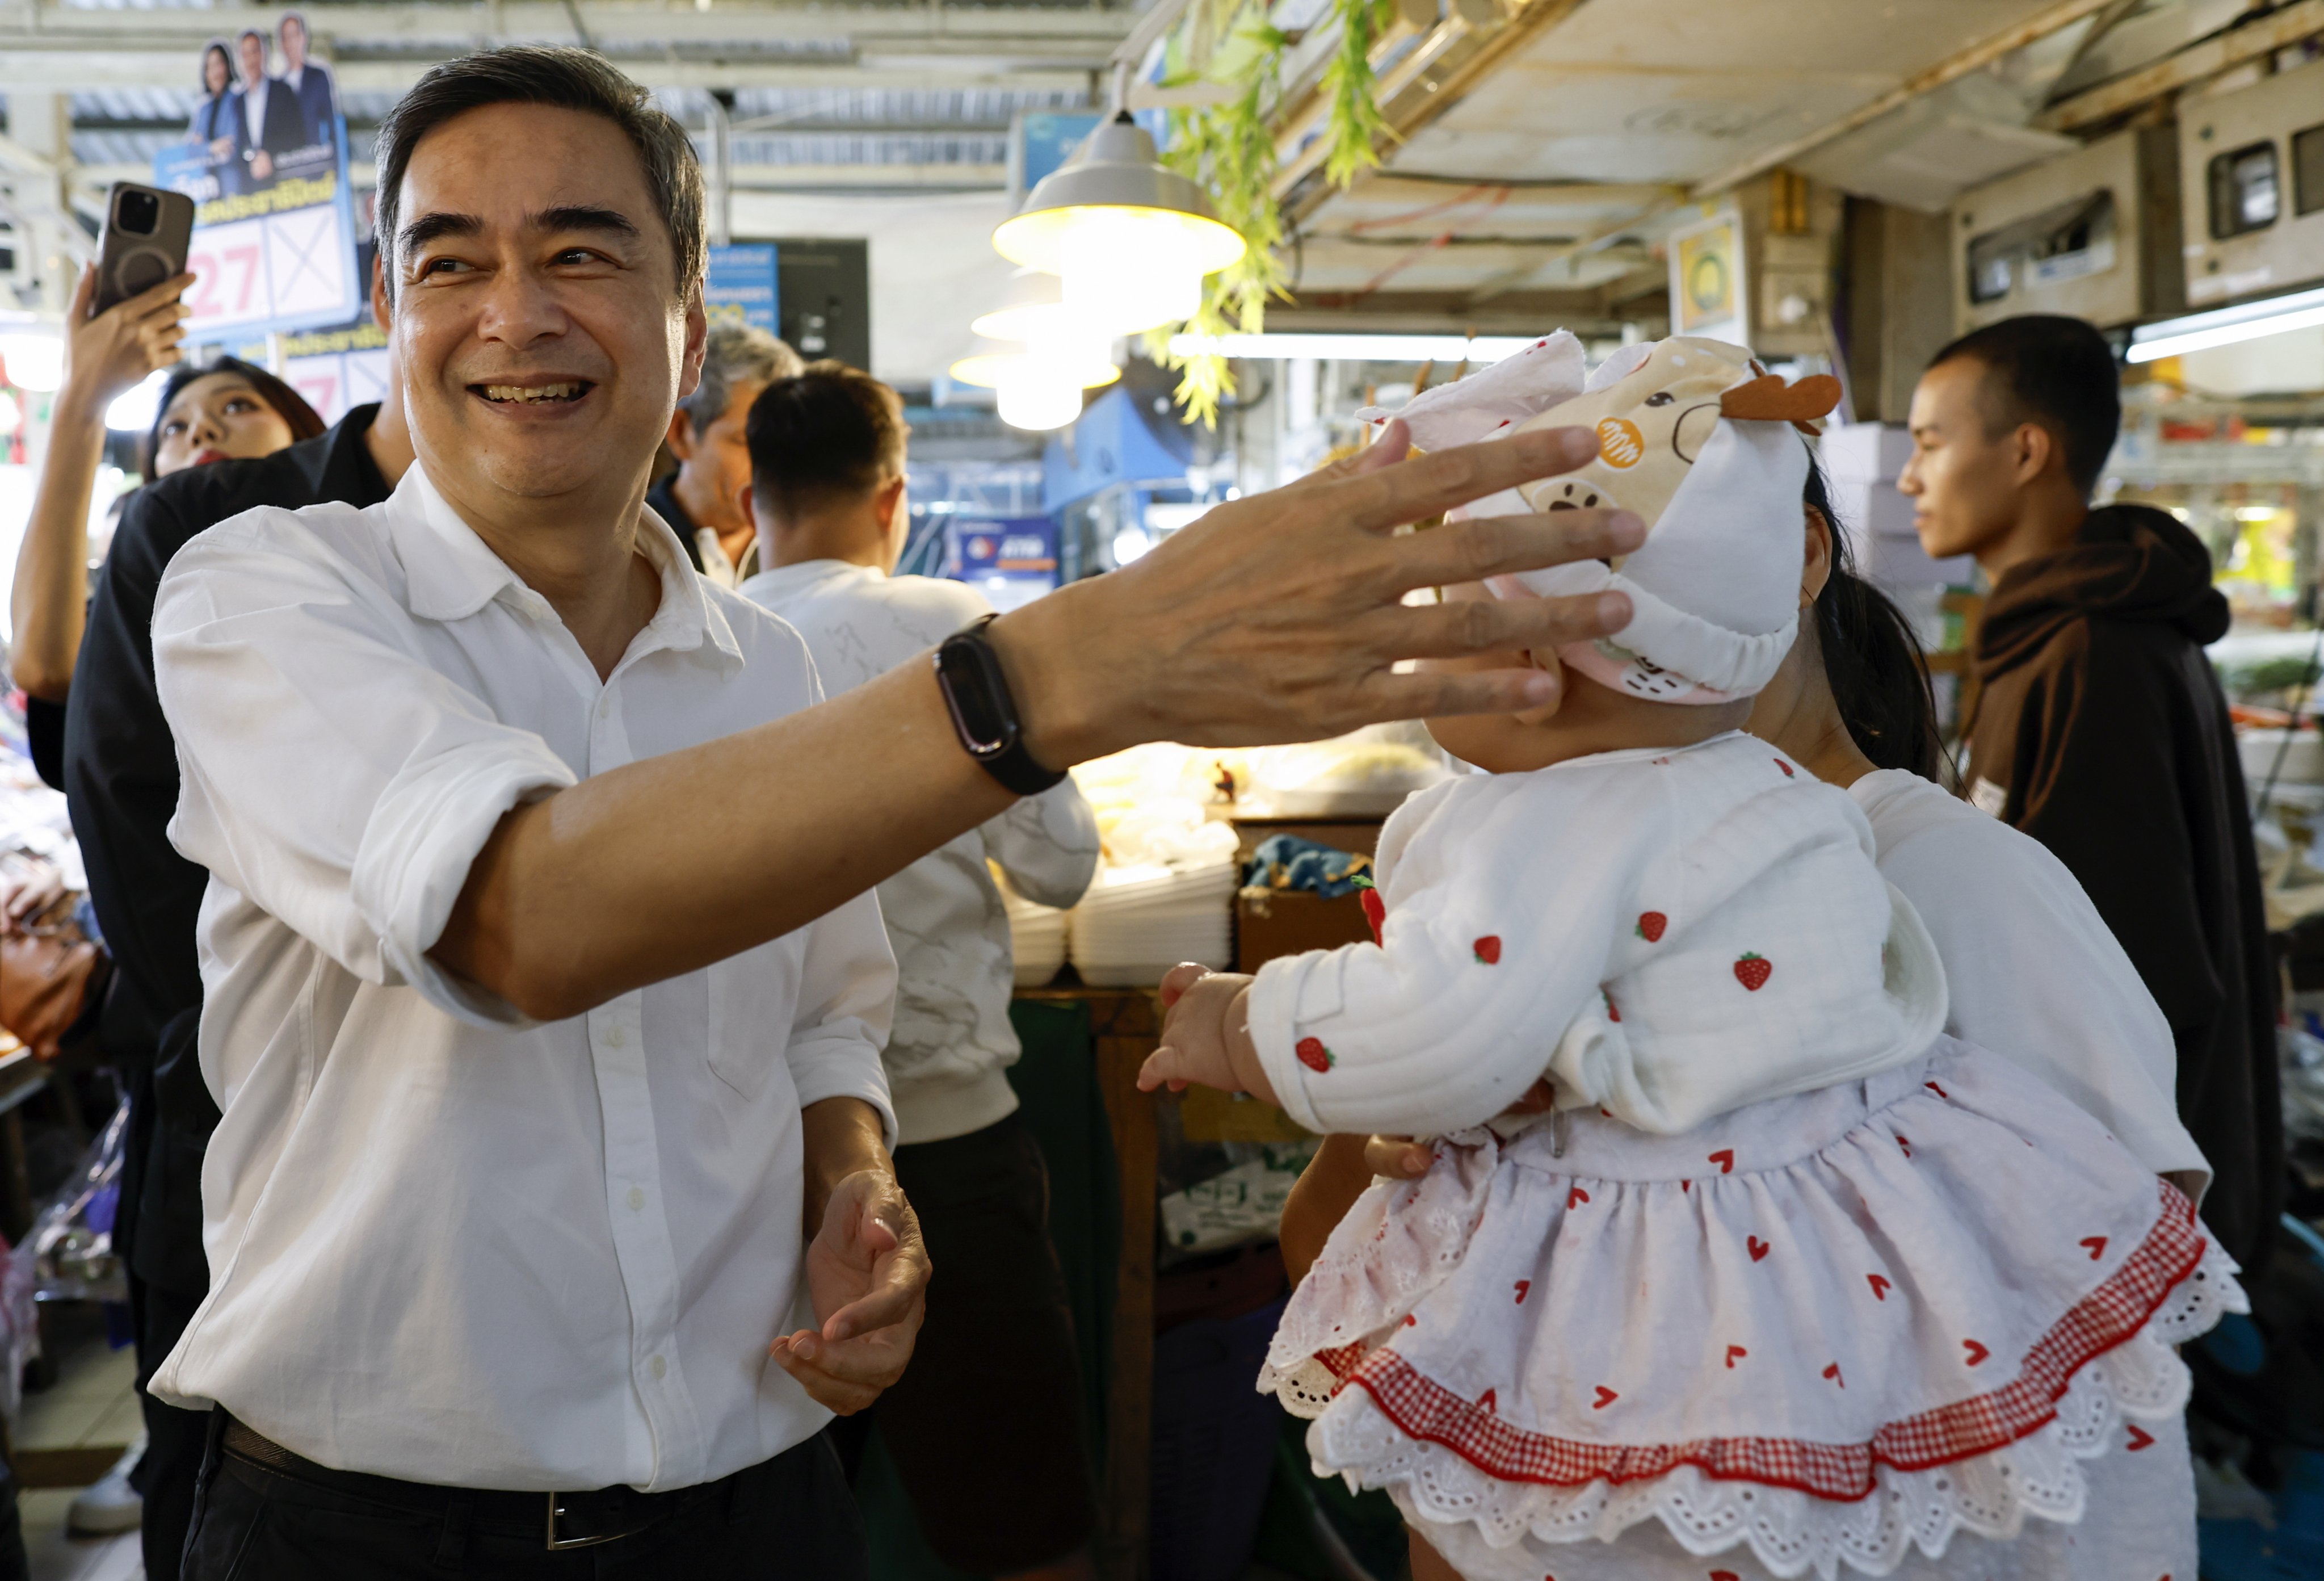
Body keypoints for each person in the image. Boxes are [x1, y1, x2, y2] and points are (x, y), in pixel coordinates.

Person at [141, 45, 1642, 1576]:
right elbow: (523, 915)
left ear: (683, 307)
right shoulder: (266, 594)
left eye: (579, 252)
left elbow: (824, 1019)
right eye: (450, 262)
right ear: (395, 316)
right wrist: (1073, 666)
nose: (514, 312)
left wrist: (852, 1176)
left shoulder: (769, 665)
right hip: (361, 1526)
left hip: (747, 1506)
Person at [1148, 334, 2234, 1581]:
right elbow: (1321, 1254)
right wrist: (1401, 1129)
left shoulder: (1950, 886)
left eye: (1568, 607)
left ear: (1798, 558)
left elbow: (2105, 1316)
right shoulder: (1512, 880)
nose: (1521, 675)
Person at [61, 264, 411, 1579]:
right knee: (223, 1494)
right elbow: (82, 740)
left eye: (230, 417)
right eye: (176, 429)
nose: (198, 443)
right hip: (227, 1129)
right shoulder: (169, 546)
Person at [738, 366, 1103, 1581]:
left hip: (751, 1160)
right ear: (892, 495)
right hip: (946, 1142)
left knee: (760, 1526)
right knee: (1022, 1530)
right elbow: (1060, 868)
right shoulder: (949, 626)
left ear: (751, 497)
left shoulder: (694, 637)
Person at [1899, 313, 2278, 1276]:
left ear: (2025, 450)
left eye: (1931, 444)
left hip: (2113, 1198)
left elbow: (2113, 973)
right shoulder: (2049, 635)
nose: (1909, 478)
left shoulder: (2095, 653)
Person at [649, 321, 802, 584]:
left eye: (787, 443)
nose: (775, 463)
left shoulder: (805, 546)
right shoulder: (633, 547)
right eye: (746, 441)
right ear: (681, 433)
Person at [230, 28, 305, 188]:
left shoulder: (283, 91)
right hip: (250, 188)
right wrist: (251, 158)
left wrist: (271, 156)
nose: (251, 59)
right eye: (245, 54)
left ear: (265, 54)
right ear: (239, 60)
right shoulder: (236, 103)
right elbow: (236, 145)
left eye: (255, 52)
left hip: (285, 182)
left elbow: (298, 135)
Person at [277, 13, 338, 149]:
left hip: (316, 159)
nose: (290, 43)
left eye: (294, 35)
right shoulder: (277, 86)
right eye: (285, 37)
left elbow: (331, 121)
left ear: (303, 38)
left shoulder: (319, 76)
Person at [186, 43, 238, 187]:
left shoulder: (238, 101)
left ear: (228, 66)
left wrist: (203, 145)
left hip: (234, 184)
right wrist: (211, 148)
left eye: (218, 64)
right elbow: (191, 150)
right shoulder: (204, 109)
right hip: (207, 185)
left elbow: (231, 147)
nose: (215, 73)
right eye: (209, 67)